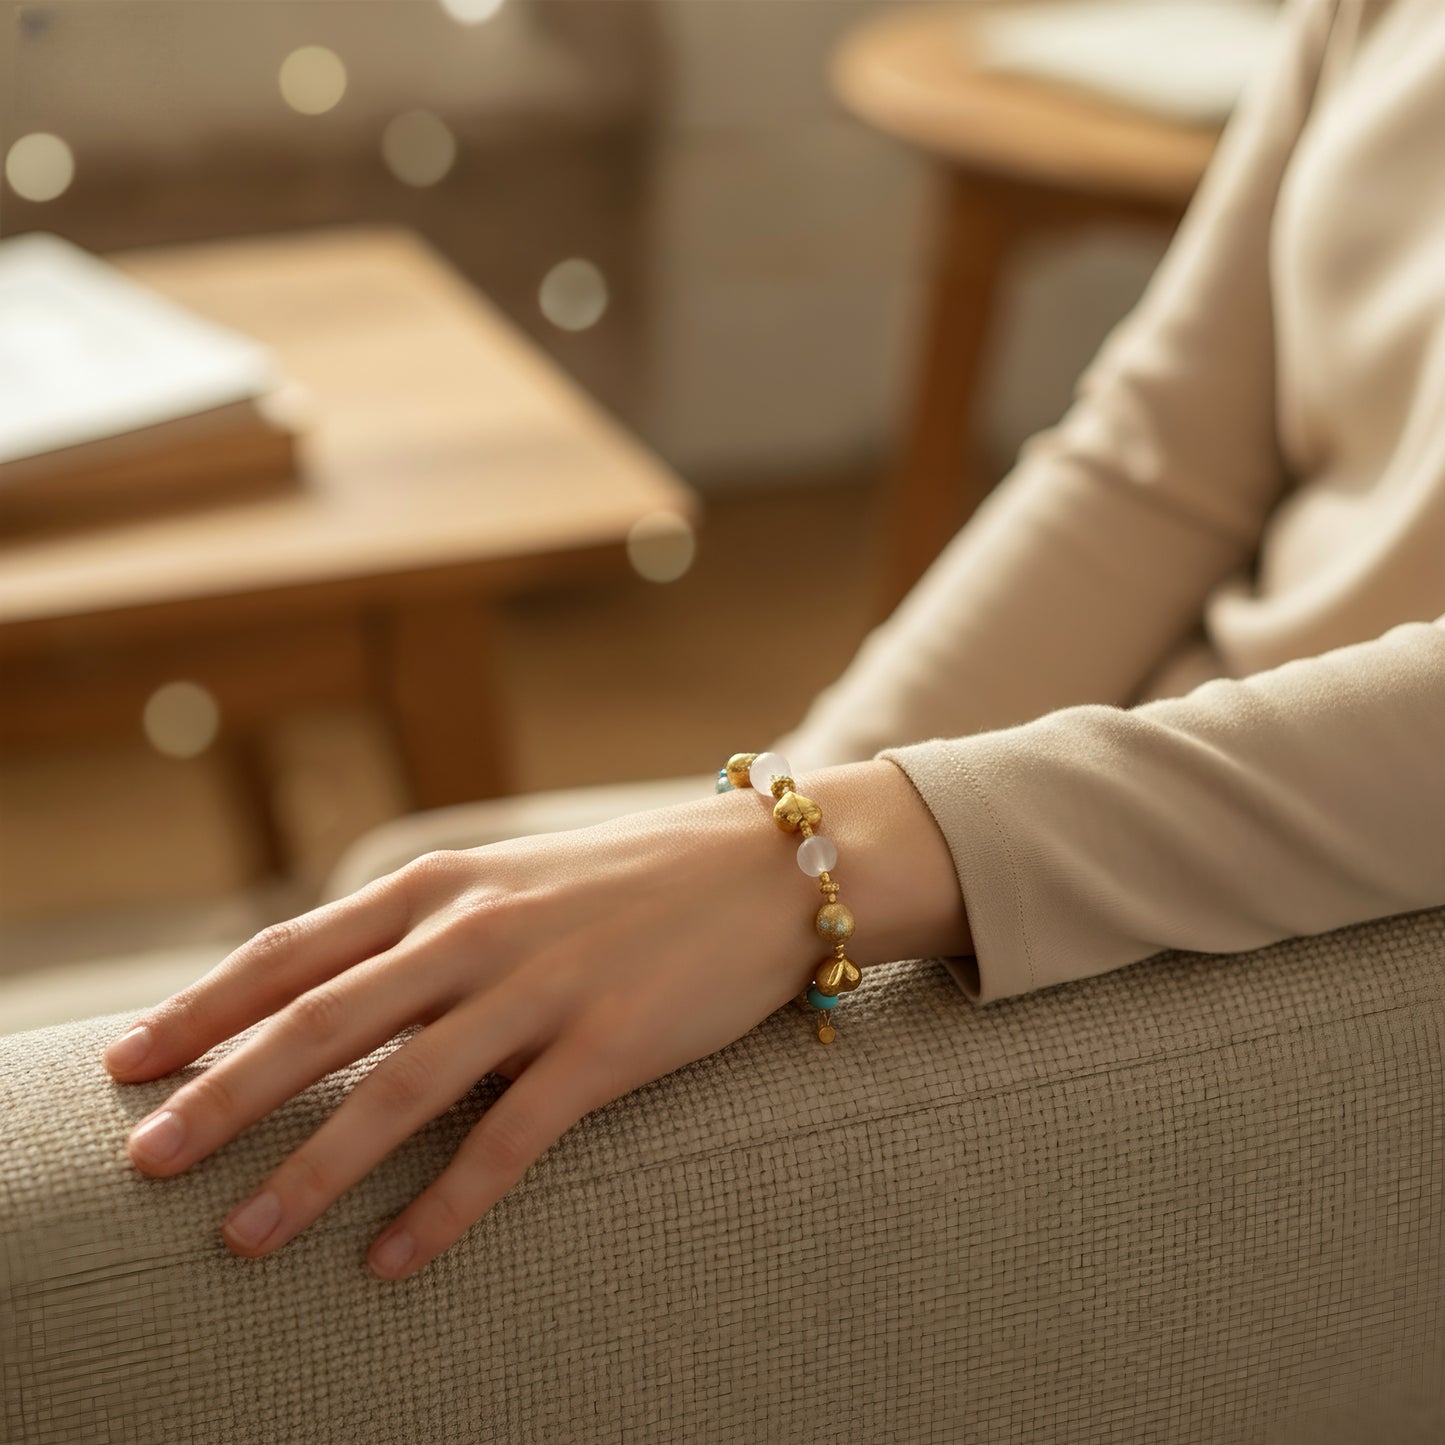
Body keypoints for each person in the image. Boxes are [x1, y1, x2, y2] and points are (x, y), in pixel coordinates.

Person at [102, 0, 1443, 1283]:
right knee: (421, 898)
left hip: (1358, 941)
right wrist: (757, 824)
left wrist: (815, 861)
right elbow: (1154, 467)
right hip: (1132, 784)